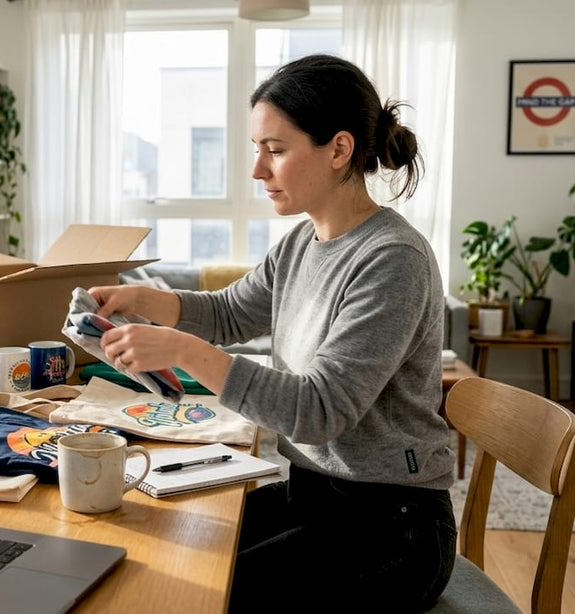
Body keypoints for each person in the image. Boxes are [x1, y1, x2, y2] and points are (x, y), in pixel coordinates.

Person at [89, 54, 456, 612]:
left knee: (200, 595)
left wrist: (186, 352)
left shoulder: (393, 260)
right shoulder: (300, 244)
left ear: (338, 149)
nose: (258, 170)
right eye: (257, 150)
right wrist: (145, 300)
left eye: (276, 151)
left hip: (391, 528)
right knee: (170, 553)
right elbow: (232, 312)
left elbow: (318, 411)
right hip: (314, 497)